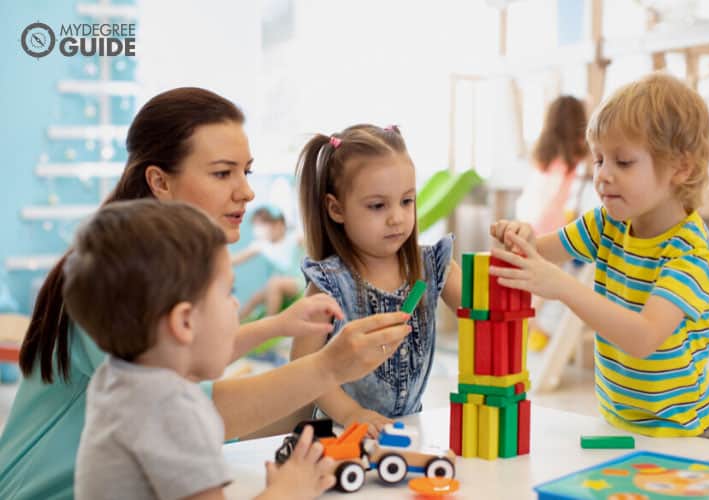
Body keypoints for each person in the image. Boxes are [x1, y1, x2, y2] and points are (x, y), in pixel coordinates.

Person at [0, 88, 412, 499]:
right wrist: (328, 368)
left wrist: (275, 326)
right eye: (222, 173)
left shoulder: (136, 265)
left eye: (246, 172)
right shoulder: (125, 278)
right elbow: (190, 409)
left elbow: (177, 354)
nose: (246, 192)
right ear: (159, 181)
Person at [489, 73, 709, 438]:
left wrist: (563, 287)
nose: (603, 176)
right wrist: (521, 237)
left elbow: (644, 338)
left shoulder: (689, 252)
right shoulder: (606, 223)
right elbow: (544, 249)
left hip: (684, 434)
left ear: (681, 168)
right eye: (599, 160)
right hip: (620, 422)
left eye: (623, 162)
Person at [66, 199, 335, 500]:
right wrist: (288, 491)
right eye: (228, 293)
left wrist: (278, 324)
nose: (236, 304)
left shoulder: (121, 377)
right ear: (184, 321)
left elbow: (199, 351)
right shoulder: (174, 412)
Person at [292, 124, 462, 437]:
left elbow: (484, 308)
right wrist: (352, 413)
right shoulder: (328, 283)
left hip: (409, 430)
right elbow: (302, 369)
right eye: (377, 206)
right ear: (336, 209)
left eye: (407, 201)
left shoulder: (433, 266)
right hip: (338, 434)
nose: (397, 217)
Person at [514, 95, 596, 351]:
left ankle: (531, 325)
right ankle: (533, 325)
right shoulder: (576, 158)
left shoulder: (545, 155)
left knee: (536, 285)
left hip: (531, 222)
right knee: (544, 285)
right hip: (555, 226)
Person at [233, 205, 305, 321]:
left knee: (274, 282)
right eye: (256, 227)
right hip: (282, 283)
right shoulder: (262, 244)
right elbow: (237, 258)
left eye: (262, 226)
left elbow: (313, 241)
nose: (258, 231)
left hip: (300, 281)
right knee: (256, 297)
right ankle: (236, 323)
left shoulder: (293, 238)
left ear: (279, 225)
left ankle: (270, 321)